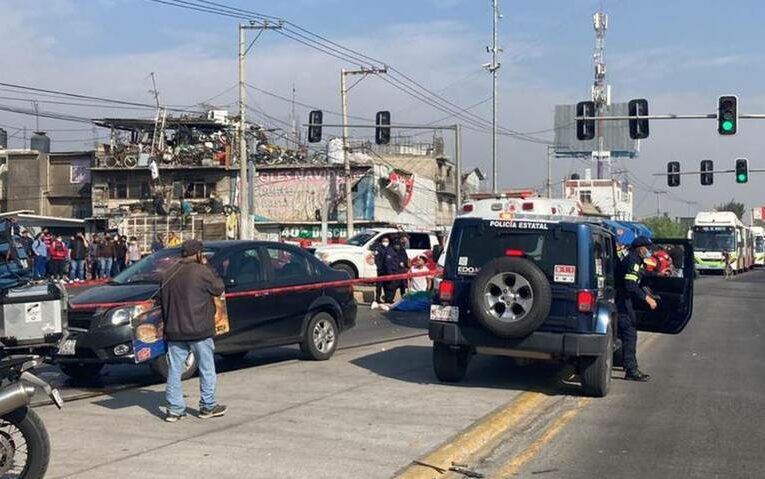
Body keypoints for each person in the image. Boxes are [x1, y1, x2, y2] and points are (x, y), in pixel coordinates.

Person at [161, 239, 227, 422]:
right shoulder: (202, 271)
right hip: (199, 329)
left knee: (174, 370)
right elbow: (219, 288)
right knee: (206, 368)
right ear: (198, 254)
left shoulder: (168, 273)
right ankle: (208, 405)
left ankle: (174, 409)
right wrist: (209, 267)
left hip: (174, 329)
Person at [615, 236, 658, 382]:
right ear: (641, 248)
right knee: (629, 334)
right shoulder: (632, 261)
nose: (649, 251)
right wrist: (647, 299)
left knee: (625, 333)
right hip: (621, 301)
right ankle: (631, 370)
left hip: (623, 300)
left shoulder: (636, 260)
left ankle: (626, 364)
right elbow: (630, 285)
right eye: (647, 248)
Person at [370, 237, 391, 309]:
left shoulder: (390, 249)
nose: (385, 242)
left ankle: (387, 299)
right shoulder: (378, 249)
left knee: (387, 286)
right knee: (379, 286)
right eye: (384, 241)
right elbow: (377, 259)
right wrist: (379, 267)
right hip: (381, 271)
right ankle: (378, 299)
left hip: (388, 271)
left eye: (387, 241)